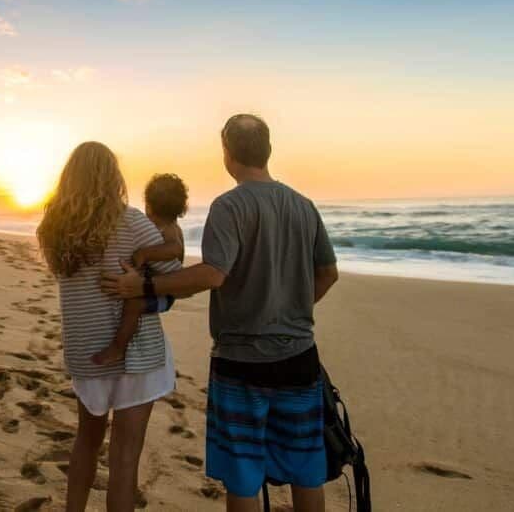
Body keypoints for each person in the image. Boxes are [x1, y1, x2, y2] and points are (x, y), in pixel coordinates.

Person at [101, 114, 338, 512]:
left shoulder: (229, 207)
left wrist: (144, 286)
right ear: (269, 150)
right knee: (305, 468)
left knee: (243, 474)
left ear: (227, 154)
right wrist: (287, 309)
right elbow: (328, 273)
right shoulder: (303, 205)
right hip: (300, 357)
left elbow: (213, 274)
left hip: (241, 362)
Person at [37, 142, 181, 512]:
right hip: (136, 357)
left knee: (85, 441)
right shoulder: (131, 221)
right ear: (111, 177)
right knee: (124, 459)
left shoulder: (53, 229)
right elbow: (173, 276)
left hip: (86, 353)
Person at [92, 173, 188, 366]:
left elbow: (174, 250)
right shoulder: (154, 225)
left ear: (148, 205)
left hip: (165, 294)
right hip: (155, 285)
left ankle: (118, 348)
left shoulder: (170, 228)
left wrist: (145, 253)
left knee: (134, 304)